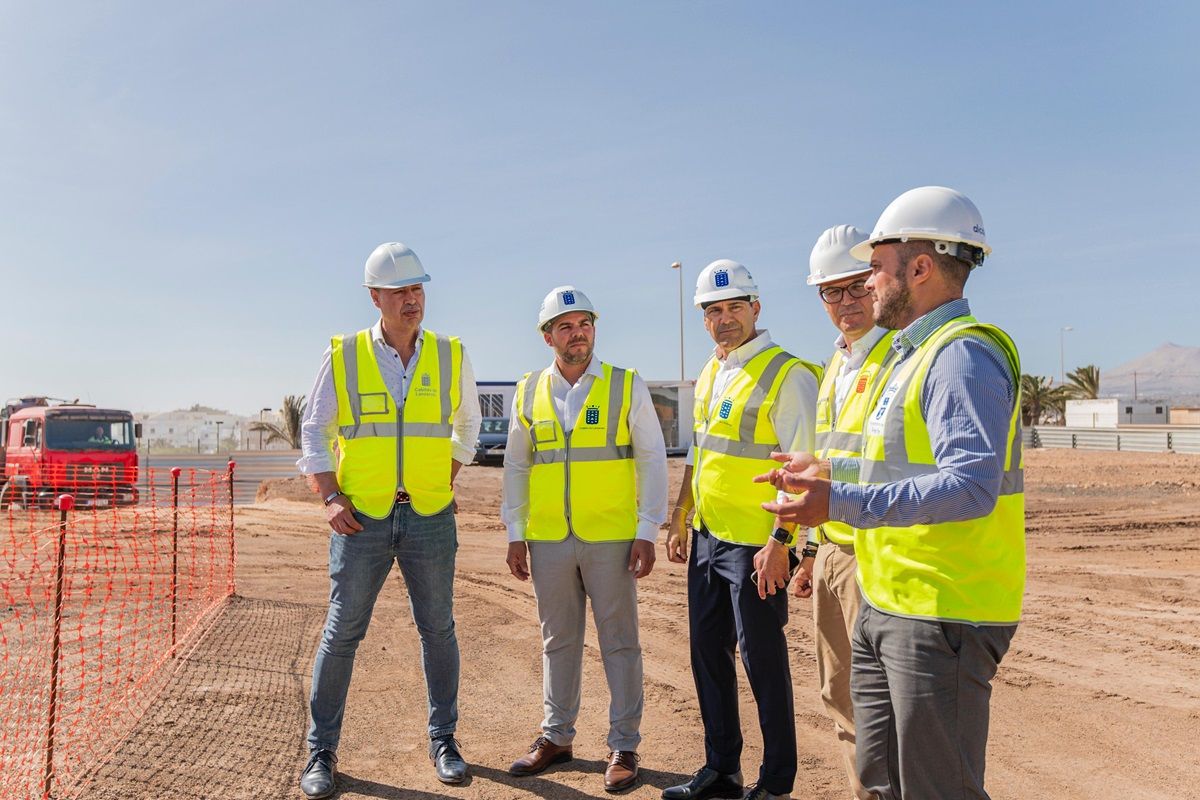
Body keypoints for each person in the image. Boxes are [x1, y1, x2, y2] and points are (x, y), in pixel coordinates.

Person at [761, 187, 1024, 800]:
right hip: (891, 598)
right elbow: (891, 463)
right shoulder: (911, 357)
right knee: (879, 780)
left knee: (937, 788)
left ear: (921, 268)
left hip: (943, 607)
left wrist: (840, 503)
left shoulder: (961, 357)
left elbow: (971, 485)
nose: (868, 282)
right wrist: (824, 470)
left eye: (876, 267)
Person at [295, 242, 482, 799]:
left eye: (417, 289)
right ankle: (321, 752)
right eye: (399, 291)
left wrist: (441, 477)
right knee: (342, 633)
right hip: (362, 518)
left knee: (439, 630)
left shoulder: (450, 354)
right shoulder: (346, 354)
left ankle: (444, 740)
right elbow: (313, 430)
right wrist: (329, 495)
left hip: (429, 515)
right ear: (375, 297)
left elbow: (467, 425)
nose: (411, 300)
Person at [662, 261, 820, 800]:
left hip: (758, 546)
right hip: (709, 537)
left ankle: (776, 784)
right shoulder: (712, 370)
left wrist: (783, 545)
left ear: (756, 308)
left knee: (762, 662)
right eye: (713, 311)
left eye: (734, 308)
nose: (723, 319)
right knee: (706, 653)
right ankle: (721, 771)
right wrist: (683, 515)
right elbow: (700, 455)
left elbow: (804, 471)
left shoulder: (789, 374)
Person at [502, 286, 667, 793]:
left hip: (612, 536)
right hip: (548, 538)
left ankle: (624, 745)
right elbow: (516, 464)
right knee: (557, 641)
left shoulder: (624, 384)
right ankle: (556, 737)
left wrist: (647, 529)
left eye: (585, 323)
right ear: (548, 336)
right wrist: (515, 532)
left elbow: (651, 457)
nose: (578, 334)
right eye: (566, 326)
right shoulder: (529, 390)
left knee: (620, 642)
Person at [793, 225, 896, 800]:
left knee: (881, 708)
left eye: (857, 285)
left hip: (876, 557)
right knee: (838, 695)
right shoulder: (835, 365)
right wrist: (810, 553)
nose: (847, 301)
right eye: (832, 292)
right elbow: (831, 460)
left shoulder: (897, 356)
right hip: (833, 552)